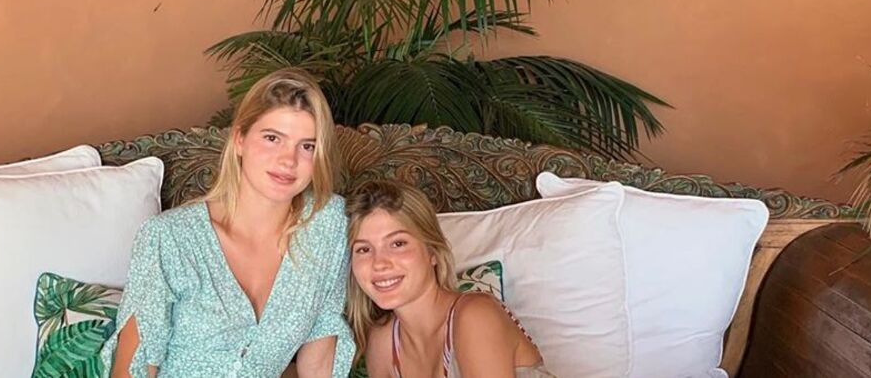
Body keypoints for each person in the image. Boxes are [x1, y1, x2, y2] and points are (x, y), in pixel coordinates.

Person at [102, 69, 355, 377]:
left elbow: (323, 336)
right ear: (239, 140)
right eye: (272, 138)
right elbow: (134, 368)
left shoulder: (327, 224)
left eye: (307, 146)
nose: (288, 160)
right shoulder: (168, 238)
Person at [345, 181, 555, 378]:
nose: (379, 263)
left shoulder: (475, 316)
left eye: (398, 244)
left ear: (433, 252)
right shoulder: (382, 342)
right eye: (363, 249)